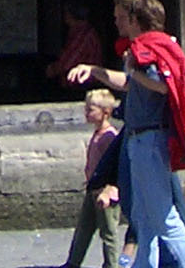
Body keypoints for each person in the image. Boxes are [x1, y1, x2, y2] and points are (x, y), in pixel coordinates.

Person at [71, 0, 185, 268]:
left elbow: (161, 83)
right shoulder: (144, 49)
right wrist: (96, 70)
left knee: (164, 219)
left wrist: (133, 70)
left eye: (121, 18)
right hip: (142, 139)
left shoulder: (145, 49)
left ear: (135, 19)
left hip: (149, 139)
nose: (117, 23)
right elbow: (130, 83)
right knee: (145, 219)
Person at [62, 89, 125, 268]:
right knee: (84, 228)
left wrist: (109, 190)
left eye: (91, 109)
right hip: (93, 188)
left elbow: (115, 166)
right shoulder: (98, 133)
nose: (86, 113)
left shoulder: (109, 136)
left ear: (105, 112)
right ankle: (73, 262)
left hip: (106, 191)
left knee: (109, 232)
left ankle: (112, 264)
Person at [49, 0, 106, 87]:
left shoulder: (83, 34)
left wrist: (52, 70)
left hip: (82, 85)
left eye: (66, 13)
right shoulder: (76, 32)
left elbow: (67, 62)